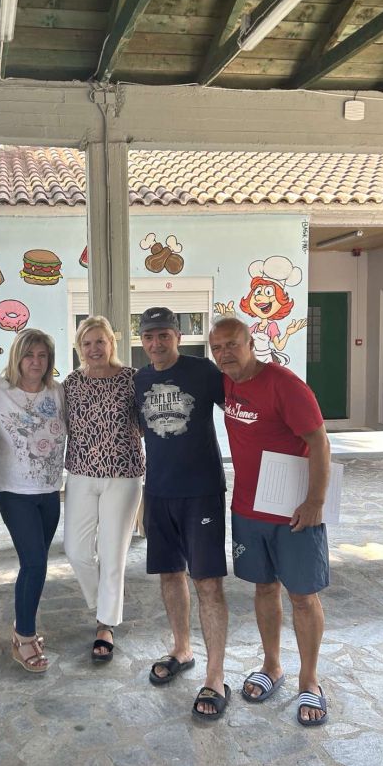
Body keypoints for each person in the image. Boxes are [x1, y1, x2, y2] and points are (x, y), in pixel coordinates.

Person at [209, 317, 331, 726]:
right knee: (264, 587)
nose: (225, 353)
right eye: (217, 347)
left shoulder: (284, 385)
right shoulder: (225, 384)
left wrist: (315, 501)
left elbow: (319, 441)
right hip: (248, 508)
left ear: (250, 343)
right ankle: (272, 665)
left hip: (292, 509)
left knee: (303, 595)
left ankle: (309, 681)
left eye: (232, 344)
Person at [134, 307, 229, 720]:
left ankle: (215, 675)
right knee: (170, 575)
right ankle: (182, 648)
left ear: (178, 335)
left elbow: (241, 409)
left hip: (201, 493)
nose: (156, 343)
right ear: (142, 340)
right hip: (159, 492)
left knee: (207, 583)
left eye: (164, 335)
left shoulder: (203, 372)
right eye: (149, 336)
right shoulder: (139, 380)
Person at [0, 329, 66, 674]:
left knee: (37, 563)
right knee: (34, 562)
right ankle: (24, 636)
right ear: (17, 357)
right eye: (29, 355)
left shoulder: (57, 392)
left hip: (49, 490)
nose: (35, 362)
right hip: (14, 492)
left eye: (42, 356)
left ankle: (23, 624)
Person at [63, 316, 144, 663]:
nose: (94, 348)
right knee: (76, 551)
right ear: (79, 348)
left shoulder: (132, 379)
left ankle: (105, 625)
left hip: (123, 476)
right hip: (80, 475)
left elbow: (148, 424)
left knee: (112, 554)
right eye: (87, 343)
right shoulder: (71, 383)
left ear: (112, 342)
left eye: (100, 341)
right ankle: (104, 602)